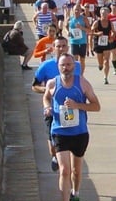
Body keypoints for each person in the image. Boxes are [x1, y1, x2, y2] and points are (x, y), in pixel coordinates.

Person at [41, 53, 101, 201]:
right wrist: (47, 107)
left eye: (68, 65)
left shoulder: (82, 83)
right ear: (58, 66)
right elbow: (46, 96)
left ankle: (76, 193)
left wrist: (77, 106)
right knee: (64, 170)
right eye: (62, 65)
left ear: (74, 66)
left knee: (76, 170)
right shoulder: (53, 83)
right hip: (60, 131)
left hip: (79, 133)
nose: (65, 68)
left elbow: (96, 106)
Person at [33, 36, 83, 172]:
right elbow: (34, 86)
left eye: (63, 46)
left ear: (68, 48)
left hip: (71, 108)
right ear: (53, 49)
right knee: (52, 145)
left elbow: (80, 84)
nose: (61, 49)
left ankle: (67, 168)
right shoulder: (45, 66)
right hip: (52, 110)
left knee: (72, 139)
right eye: (58, 46)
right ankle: (55, 156)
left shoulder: (76, 65)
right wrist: (48, 91)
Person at [92, 7, 115, 85]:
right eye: (103, 14)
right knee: (101, 61)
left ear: (108, 14)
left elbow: (113, 31)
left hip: (106, 42)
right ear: (100, 14)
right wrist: (97, 34)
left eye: (106, 14)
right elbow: (91, 32)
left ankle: (105, 77)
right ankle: (100, 65)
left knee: (107, 61)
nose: (104, 15)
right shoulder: (97, 22)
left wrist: (112, 37)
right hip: (98, 43)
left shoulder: (110, 23)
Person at [67, 4, 89, 73]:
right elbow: (66, 27)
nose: (76, 11)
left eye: (78, 10)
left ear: (80, 11)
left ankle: (81, 75)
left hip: (82, 41)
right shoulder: (70, 19)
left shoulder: (84, 19)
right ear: (73, 10)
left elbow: (90, 30)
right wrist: (68, 32)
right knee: (75, 60)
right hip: (74, 41)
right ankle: (76, 74)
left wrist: (81, 28)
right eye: (75, 10)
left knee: (82, 59)